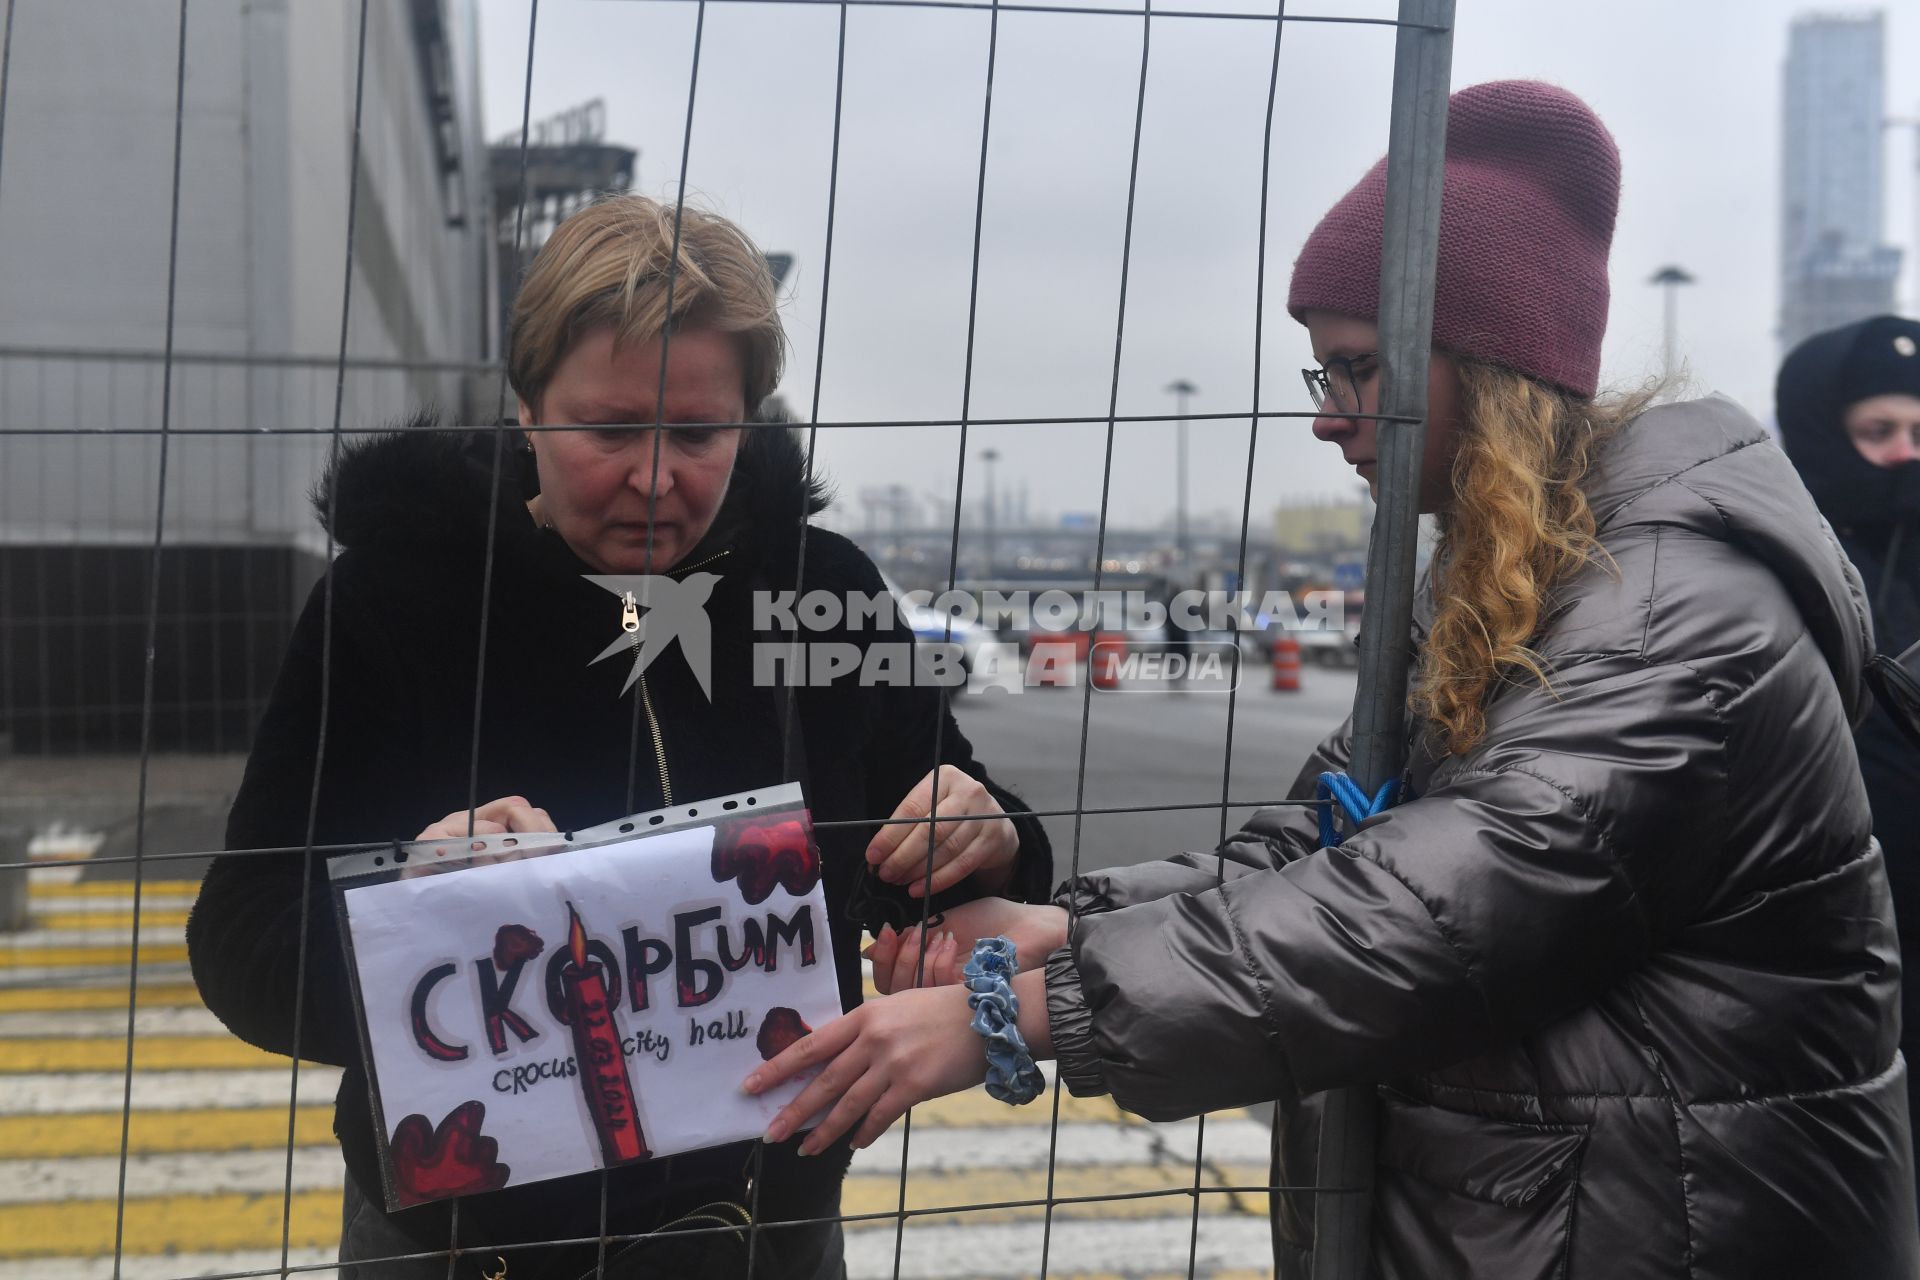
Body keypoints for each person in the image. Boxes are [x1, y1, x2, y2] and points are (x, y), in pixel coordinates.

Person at [746, 80, 1920, 1278]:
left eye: (1356, 369)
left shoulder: (1675, 602)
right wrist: (1066, 926)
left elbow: (1440, 903)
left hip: (1681, 1225)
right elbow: (1328, 841)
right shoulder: (1518, 575)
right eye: (1324, 375)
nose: (1329, 418)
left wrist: (1035, 1006)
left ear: (1487, 363)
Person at [186, 194, 1053, 1280]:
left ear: (751, 416)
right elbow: (240, 939)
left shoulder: (819, 586)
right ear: (527, 407)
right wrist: (416, 910)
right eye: (608, 431)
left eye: (698, 432)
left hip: (763, 1229)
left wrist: (984, 830)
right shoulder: (397, 602)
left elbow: (944, 841)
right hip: (466, 1244)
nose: (655, 478)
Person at [1778, 313, 1920, 1196]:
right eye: (1880, 433)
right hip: (1831, 969)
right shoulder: (1790, 569)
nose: (1907, 453)